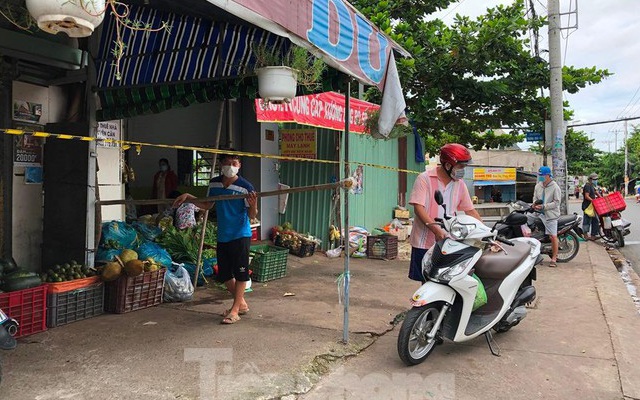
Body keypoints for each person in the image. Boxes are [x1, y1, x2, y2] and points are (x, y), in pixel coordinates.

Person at [173, 152, 258, 324]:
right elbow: (207, 205)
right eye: (227, 162)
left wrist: (254, 205)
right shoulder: (214, 184)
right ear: (221, 164)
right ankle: (240, 304)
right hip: (223, 235)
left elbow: (251, 215)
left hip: (240, 234)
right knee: (225, 275)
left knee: (241, 273)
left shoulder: (245, 187)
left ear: (239, 166)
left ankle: (234, 311)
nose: (231, 166)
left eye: (234, 163)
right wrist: (189, 197)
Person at [408, 143, 482, 282]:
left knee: (449, 282)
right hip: (424, 242)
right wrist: (436, 230)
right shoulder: (424, 179)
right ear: (448, 165)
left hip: (450, 243)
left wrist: (486, 232)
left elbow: (470, 211)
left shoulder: (460, 184)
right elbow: (418, 208)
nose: (463, 170)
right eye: (460, 167)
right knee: (427, 284)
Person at [532, 166, 561, 267]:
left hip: (551, 215)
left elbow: (557, 202)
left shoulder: (555, 187)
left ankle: (554, 258)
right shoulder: (538, 186)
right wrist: (534, 204)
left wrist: (545, 206)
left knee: (553, 236)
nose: (540, 177)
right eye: (539, 175)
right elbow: (535, 198)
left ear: (548, 176)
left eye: (542, 176)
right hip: (539, 213)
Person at [582, 172, 601, 240]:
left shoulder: (592, 186)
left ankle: (593, 235)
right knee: (587, 221)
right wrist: (593, 200)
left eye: (596, 179)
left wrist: (601, 198)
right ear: (590, 179)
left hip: (592, 206)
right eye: (594, 179)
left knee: (595, 220)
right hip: (587, 206)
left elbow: (596, 192)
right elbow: (586, 196)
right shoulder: (587, 186)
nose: (596, 180)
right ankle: (585, 235)